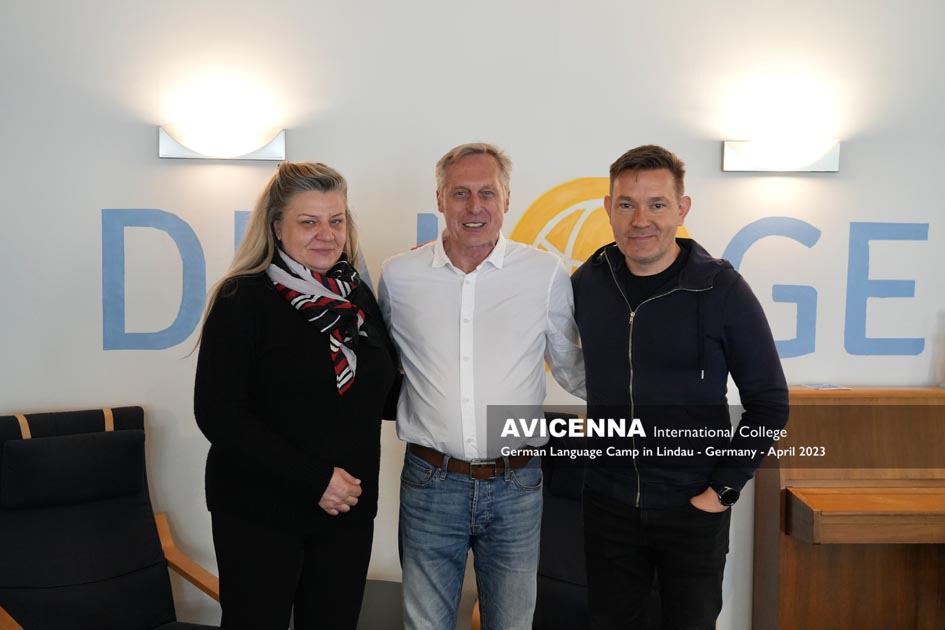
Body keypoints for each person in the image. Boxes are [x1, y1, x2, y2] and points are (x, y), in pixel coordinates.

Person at [571, 145, 789, 629]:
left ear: (682, 209)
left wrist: (722, 491)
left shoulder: (721, 289)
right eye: (626, 204)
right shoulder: (590, 281)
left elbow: (770, 403)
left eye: (657, 204)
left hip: (692, 507)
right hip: (608, 504)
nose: (640, 220)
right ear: (608, 209)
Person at [378, 142, 585, 630]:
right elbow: (379, 367)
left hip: (518, 484)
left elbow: (572, 368)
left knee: (511, 624)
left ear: (506, 199)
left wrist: (655, 403)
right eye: (461, 193)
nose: (475, 207)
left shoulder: (545, 275)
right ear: (440, 199)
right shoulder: (399, 276)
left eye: (487, 193)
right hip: (430, 481)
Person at [193, 162, 398, 630]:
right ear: (276, 227)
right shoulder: (243, 299)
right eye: (309, 222)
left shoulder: (356, 297)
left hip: (346, 510)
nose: (327, 234)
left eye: (336, 220)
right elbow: (218, 414)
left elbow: (378, 398)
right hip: (261, 510)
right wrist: (315, 479)